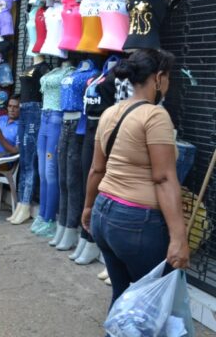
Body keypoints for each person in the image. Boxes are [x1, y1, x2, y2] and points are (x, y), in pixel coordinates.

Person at [81, 49, 189, 305]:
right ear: (158, 77)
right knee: (149, 305)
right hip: (135, 223)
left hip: (103, 215)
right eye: (168, 76)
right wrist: (179, 237)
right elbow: (164, 179)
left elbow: (96, 169)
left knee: (123, 298)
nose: (168, 83)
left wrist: (88, 207)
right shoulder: (155, 116)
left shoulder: (111, 113)